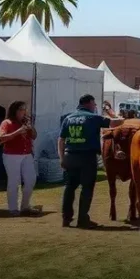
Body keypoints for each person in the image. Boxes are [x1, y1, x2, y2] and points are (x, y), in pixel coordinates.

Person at [58, 94, 114, 228]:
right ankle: (82, 219)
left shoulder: (68, 118)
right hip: (87, 157)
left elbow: (61, 140)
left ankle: (66, 218)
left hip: (70, 155)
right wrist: (111, 113)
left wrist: (62, 158)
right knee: (87, 188)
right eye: (94, 104)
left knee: (70, 187)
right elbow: (115, 123)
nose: (95, 107)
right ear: (88, 103)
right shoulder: (93, 117)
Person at [0, 101, 37, 215]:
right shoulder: (7, 122)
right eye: (21, 109)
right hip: (11, 155)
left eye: (25, 109)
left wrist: (30, 127)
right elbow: (2, 138)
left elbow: (34, 136)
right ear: (14, 110)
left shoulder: (25, 122)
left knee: (31, 179)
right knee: (14, 181)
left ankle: (25, 206)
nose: (24, 112)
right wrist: (18, 132)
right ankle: (13, 208)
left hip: (27, 154)